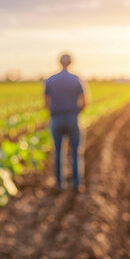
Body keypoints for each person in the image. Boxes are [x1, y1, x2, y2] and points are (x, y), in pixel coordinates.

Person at [44, 53, 87, 190]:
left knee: (58, 152)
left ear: (59, 63)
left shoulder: (50, 80)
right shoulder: (77, 79)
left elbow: (46, 102)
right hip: (73, 118)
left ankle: (59, 183)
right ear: (71, 63)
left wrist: (53, 113)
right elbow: (85, 101)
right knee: (76, 152)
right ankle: (77, 183)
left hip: (56, 118)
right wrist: (76, 112)